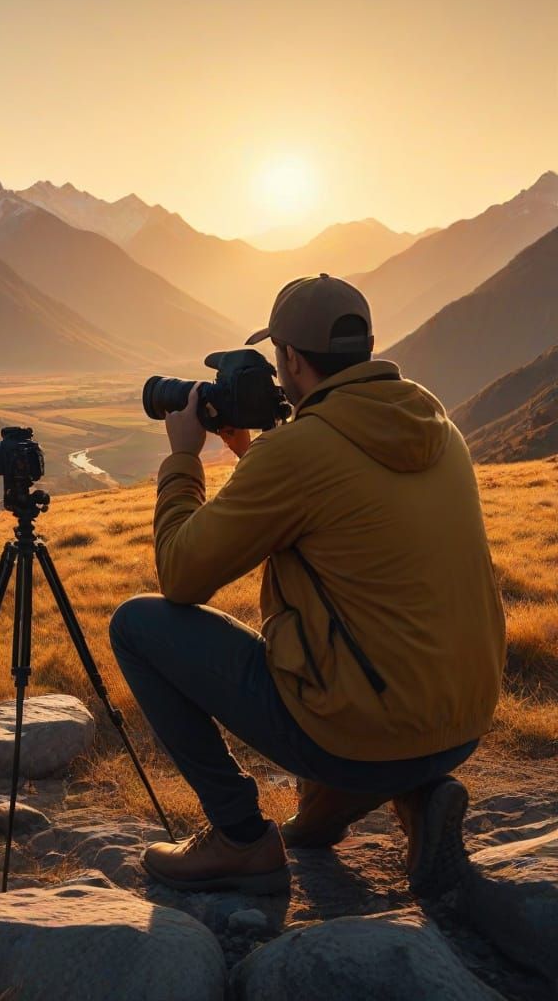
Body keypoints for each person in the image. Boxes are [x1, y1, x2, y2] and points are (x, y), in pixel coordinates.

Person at [109, 273, 506, 898]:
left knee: (137, 625)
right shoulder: (433, 423)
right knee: (374, 646)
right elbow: (342, 517)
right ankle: (416, 797)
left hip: (366, 732)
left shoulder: (297, 452)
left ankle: (241, 837)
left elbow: (181, 575)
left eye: (277, 358)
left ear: (291, 358)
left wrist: (184, 458)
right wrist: (254, 456)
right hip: (462, 721)